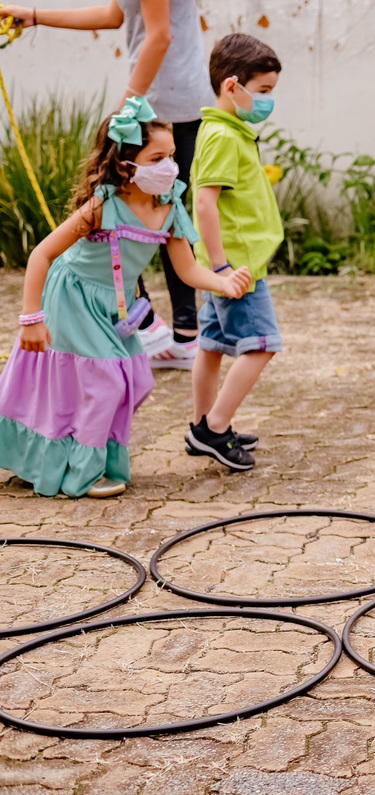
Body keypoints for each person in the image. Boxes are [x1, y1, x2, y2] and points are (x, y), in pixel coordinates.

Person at [0, 97, 251, 498]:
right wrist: (32, 317)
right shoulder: (104, 205)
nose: (170, 166)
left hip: (114, 308)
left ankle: (80, 459)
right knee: (104, 384)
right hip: (73, 296)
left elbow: (187, 270)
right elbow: (42, 254)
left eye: (171, 156)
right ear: (125, 166)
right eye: (157, 158)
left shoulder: (169, 207)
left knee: (134, 377)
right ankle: (81, 472)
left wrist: (223, 283)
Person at [4, 0, 215, 369]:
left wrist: (126, 108)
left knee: (156, 212)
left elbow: (160, 36)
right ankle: (164, 330)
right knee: (146, 212)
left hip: (159, 108)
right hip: (166, 102)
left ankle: (163, 329)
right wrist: (35, 16)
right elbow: (117, 14)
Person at [184, 33, 283, 472]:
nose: (267, 101)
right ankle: (215, 431)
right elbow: (205, 202)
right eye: (262, 91)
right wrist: (223, 267)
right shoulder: (223, 135)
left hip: (231, 263)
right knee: (262, 345)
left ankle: (201, 424)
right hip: (237, 267)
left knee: (211, 344)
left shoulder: (226, 130)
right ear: (232, 86)